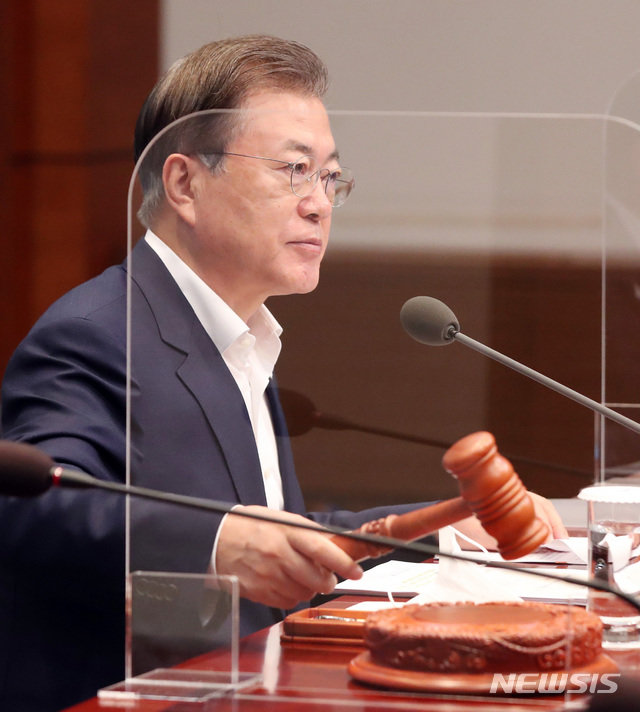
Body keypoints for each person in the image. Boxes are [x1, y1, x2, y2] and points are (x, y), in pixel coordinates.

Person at [0, 35, 566, 711]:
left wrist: (444, 536)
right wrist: (219, 541)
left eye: (330, 178)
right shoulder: (97, 332)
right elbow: (33, 511)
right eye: (294, 170)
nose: (319, 204)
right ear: (184, 184)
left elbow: (278, 537)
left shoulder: (235, 333)